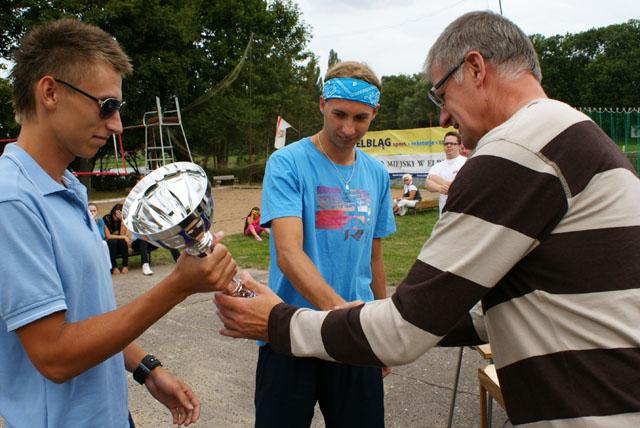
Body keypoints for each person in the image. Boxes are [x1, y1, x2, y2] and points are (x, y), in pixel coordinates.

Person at [215, 11, 640, 428]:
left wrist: (342, 327)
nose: (442, 119)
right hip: (610, 394)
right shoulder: (578, 135)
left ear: (474, 68)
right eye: (338, 114)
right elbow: (519, 301)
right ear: (323, 105)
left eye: (441, 95)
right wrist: (363, 323)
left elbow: (395, 299)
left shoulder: (517, 151)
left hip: (588, 406)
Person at [0, 18, 238, 428]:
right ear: (50, 92)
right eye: (106, 105)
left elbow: (86, 316)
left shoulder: (69, 187)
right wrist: (178, 285)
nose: (114, 124)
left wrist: (146, 369)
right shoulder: (12, 202)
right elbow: (54, 356)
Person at [251, 61, 396, 428]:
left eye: (360, 118)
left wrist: (380, 329)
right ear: (321, 105)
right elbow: (287, 253)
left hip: (354, 337)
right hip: (290, 331)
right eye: (339, 115)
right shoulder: (287, 163)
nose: (348, 129)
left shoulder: (376, 174)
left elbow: (374, 258)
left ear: (374, 113)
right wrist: (345, 317)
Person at [425, 131, 466, 215]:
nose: (449, 145)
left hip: (463, 213)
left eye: (452, 143)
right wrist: (440, 187)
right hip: (444, 214)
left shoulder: (467, 162)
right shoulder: (437, 166)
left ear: (459, 146)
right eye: (446, 143)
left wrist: (437, 179)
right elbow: (428, 183)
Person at [104, 202, 131, 274]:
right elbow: (108, 236)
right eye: (116, 214)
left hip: (120, 244)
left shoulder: (122, 220)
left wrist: (122, 220)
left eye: (120, 214)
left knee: (122, 241)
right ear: (113, 212)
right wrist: (124, 237)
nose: (117, 216)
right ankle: (114, 267)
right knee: (113, 241)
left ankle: (125, 266)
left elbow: (122, 234)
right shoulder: (106, 218)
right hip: (110, 243)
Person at [88, 202, 111, 268]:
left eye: (94, 211)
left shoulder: (100, 221)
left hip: (100, 241)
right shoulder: (84, 221)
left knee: (103, 243)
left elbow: (101, 235)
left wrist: (93, 219)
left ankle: (108, 267)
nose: (92, 212)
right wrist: (91, 219)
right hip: (89, 242)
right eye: (90, 211)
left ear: (97, 211)